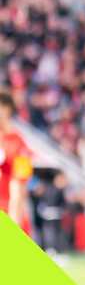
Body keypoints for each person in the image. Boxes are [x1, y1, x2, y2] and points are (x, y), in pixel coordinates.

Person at [0, 90, 33, 233]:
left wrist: (13, 226)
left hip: (10, 212)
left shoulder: (19, 143)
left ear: (6, 109)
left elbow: (19, 187)